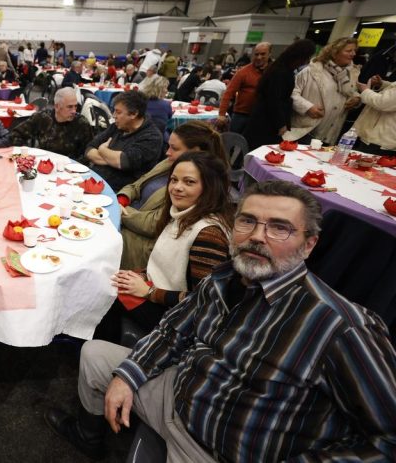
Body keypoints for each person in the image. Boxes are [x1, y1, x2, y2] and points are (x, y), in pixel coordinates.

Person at [47, 179, 396, 462]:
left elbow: (387, 440)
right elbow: (173, 329)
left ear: (308, 245)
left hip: (214, 450)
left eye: (280, 228)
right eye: (247, 221)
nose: (257, 236)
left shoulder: (342, 327)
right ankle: (88, 438)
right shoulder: (222, 276)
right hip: (180, 393)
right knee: (93, 354)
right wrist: (128, 376)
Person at [107, 151, 232, 339]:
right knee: (111, 280)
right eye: (174, 180)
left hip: (180, 319)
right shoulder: (181, 214)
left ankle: (107, 353)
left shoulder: (209, 234)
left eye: (189, 182)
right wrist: (141, 276)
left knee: (109, 292)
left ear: (210, 187)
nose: (176, 188)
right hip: (159, 292)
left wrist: (149, 291)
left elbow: (202, 301)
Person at [117, 120, 228, 269]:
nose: (167, 152)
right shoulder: (169, 163)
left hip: (148, 244)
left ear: (195, 151)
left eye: (174, 148)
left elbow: (154, 224)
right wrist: (122, 199)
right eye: (174, 180)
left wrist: (119, 211)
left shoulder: (202, 186)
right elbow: (137, 184)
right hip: (131, 220)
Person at [285, 37, 361, 145]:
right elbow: (291, 93)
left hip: (330, 134)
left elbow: (352, 92)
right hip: (305, 131)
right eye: (349, 51)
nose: (353, 54)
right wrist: (307, 107)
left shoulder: (352, 73)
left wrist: (357, 99)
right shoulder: (312, 70)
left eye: (355, 51)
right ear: (335, 53)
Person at [244, 39, 317, 150]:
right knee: (260, 152)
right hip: (267, 122)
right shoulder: (281, 72)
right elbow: (274, 100)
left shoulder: (280, 68)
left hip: (264, 118)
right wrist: (281, 123)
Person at [84, 91, 162, 191]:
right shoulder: (118, 127)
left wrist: (102, 150)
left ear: (134, 114)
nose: (113, 115)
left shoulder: (151, 137)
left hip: (118, 191)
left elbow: (123, 161)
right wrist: (111, 160)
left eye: (118, 112)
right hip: (95, 180)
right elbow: (89, 149)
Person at [6, 87, 94, 161]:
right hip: (43, 163)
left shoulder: (81, 123)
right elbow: (15, 135)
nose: (74, 111)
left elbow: (88, 151)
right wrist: (27, 154)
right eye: (70, 107)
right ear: (57, 106)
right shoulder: (43, 118)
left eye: (76, 106)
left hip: (70, 168)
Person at [217, 42, 272, 133]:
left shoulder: (274, 71)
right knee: (232, 142)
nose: (259, 57)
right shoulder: (243, 72)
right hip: (241, 115)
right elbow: (228, 93)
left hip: (262, 116)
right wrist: (222, 114)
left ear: (270, 54)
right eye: (256, 54)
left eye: (263, 54)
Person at [353, 74, 396, 156]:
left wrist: (365, 91)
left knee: (364, 167)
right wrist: (382, 84)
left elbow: (382, 103)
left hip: (381, 142)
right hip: (381, 139)